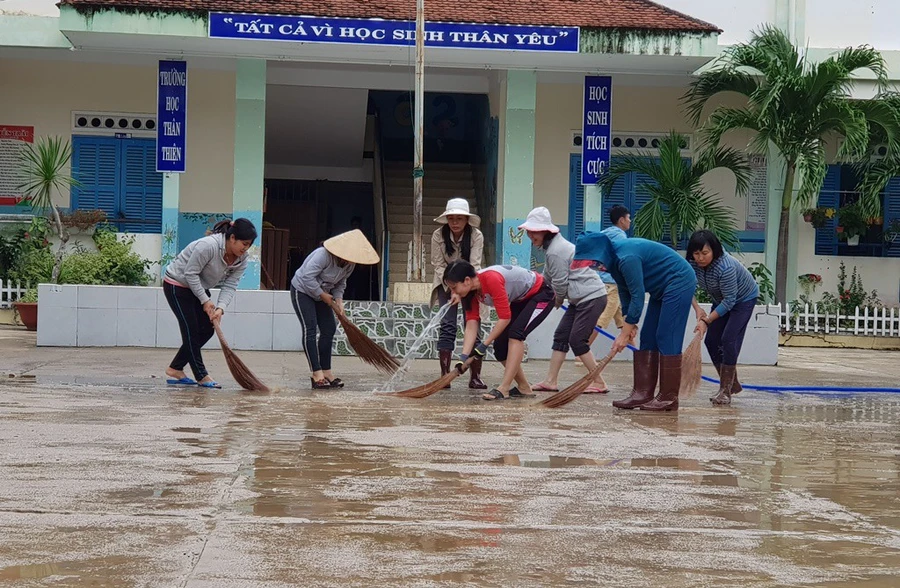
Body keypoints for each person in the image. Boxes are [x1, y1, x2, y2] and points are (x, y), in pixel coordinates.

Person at [573, 232, 696, 411]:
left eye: (594, 262)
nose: (595, 267)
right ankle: (642, 393)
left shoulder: (626, 258)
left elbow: (638, 297)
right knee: (647, 336)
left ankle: (668, 398)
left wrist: (623, 335)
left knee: (666, 335)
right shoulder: (613, 261)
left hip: (679, 280)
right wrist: (627, 323)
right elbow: (625, 292)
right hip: (660, 288)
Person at [518, 208, 609, 394]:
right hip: (579, 299)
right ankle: (550, 381)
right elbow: (548, 276)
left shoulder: (556, 251)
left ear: (546, 231)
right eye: (529, 231)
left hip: (591, 297)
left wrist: (557, 300)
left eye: (534, 231)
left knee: (577, 340)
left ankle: (599, 382)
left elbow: (560, 283)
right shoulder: (553, 249)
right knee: (561, 336)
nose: (530, 235)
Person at [163, 218, 257, 389]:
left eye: (249, 245)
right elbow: (190, 274)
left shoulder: (242, 259)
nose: (245, 249)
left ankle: (175, 368)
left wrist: (220, 308)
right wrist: (205, 301)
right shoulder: (208, 246)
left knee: (207, 329)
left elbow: (231, 284)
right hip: (177, 285)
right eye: (244, 243)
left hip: (198, 287)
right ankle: (201, 376)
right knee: (190, 330)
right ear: (232, 238)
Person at [443, 260, 554, 401]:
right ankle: (524, 387)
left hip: (542, 294)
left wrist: (483, 346)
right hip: (521, 300)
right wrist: (463, 358)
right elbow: (471, 323)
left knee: (516, 335)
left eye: (454, 288)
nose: (453, 293)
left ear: (466, 280)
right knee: (500, 348)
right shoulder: (470, 293)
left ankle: (504, 388)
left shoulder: (491, 279)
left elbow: (505, 318)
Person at [291, 229, 380, 389]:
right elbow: (307, 277)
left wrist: (339, 301)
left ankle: (326, 371)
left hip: (323, 294)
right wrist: (322, 295)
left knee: (329, 329)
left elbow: (341, 283)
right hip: (302, 290)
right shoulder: (323, 255)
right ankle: (316, 373)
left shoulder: (349, 265)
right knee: (310, 329)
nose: (350, 261)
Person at [687, 230, 759, 405]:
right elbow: (686, 285)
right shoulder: (691, 263)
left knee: (728, 339)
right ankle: (731, 383)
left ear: (714, 250)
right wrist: (697, 309)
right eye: (696, 253)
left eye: (705, 253)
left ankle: (725, 390)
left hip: (743, 300)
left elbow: (730, 301)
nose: (700, 258)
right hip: (720, 300)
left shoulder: (725, 267)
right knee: (711, 341)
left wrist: (706, 320)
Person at [430, 198, 486, 389]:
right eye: (451, 218)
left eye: (459, 219)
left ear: (466, 220)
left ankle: (475, 376)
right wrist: (451, 288)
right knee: (447, 325)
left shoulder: (476, 236)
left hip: (470, 282)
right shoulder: (438, 235)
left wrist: (463, 290)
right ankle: (445, 375)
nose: (455, 223)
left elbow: (475, 264)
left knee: (473, 326)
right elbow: (437, 264)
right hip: (445, 283)